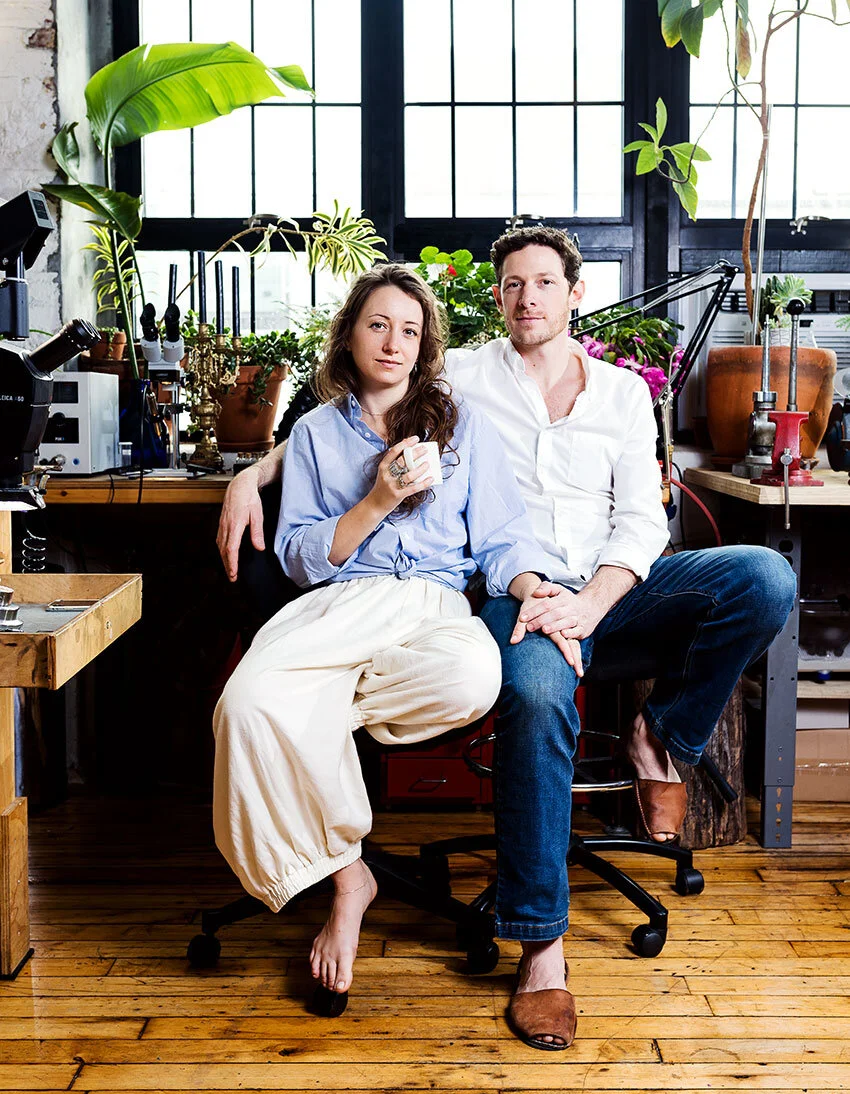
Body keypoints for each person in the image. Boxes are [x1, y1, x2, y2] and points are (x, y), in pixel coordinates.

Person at [215, 228, 797, 1051]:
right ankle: (543, 951)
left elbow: (640, 519)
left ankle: (663, 735)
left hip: (610, 588)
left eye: (544, 283)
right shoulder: (460, 383)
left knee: (766, 578)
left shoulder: (626, 396)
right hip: (517, 596)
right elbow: (364, 403)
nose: (528, 298)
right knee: (531, 688)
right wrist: (254, 469)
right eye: (512, 285)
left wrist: (592, 602)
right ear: (496, 299)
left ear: (574, 293)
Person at [212, 263, 574, 1015]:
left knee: (478, 676)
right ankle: (350, 876)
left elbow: (502, 538)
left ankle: (312, 711)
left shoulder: (461, 422)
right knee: (245, 706)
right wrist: (380, 498)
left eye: (410, 330)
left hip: (432, 607)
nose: (394, 341)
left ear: (425, 345)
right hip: (340, 606)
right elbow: (302, 557)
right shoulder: (313, 433)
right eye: (379, 324)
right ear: (349, 337)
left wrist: (528, 585)